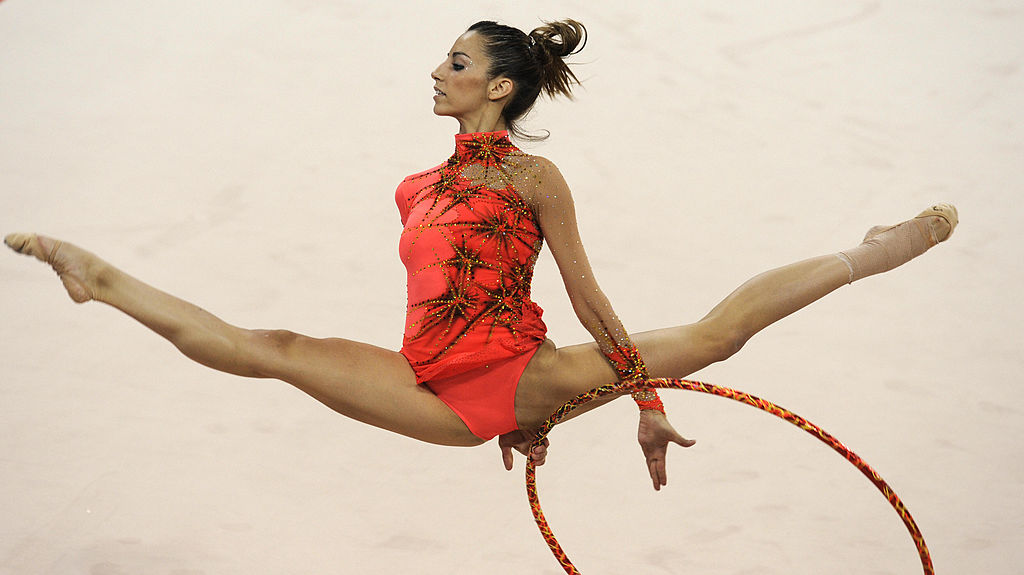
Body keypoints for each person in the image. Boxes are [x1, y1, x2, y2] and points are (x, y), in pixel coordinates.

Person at [4, 19, 957, 492]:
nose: (436, 70)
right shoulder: (416, 187)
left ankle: (870, 253)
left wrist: (644, 405)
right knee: (277, 348)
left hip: (520, 369)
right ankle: (103, 279)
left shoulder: (532, 182)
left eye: (456, 63)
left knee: (714, 337)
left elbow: (588, 299)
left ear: (499, 86)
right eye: (443, 59)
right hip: (434, 385)